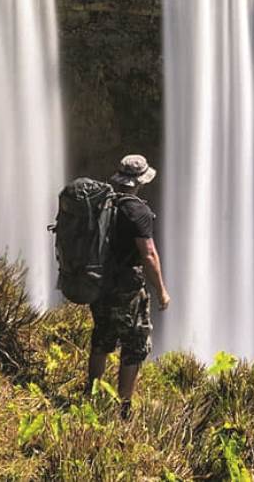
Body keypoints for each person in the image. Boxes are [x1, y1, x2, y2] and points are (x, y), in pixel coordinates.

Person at [85, 154, 171, 418]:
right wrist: (162, 291)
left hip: (99, 283)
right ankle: (124, 407)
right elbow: (149, 255)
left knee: (102, 336)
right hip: (127, 288)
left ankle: (91, 394)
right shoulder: (138, 211)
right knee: (135, 344)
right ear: (141, 181)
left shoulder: (103, 204)